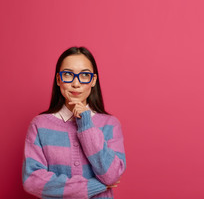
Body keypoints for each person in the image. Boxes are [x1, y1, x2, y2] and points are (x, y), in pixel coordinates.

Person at [22, 46, 126, 199]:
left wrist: (86, 123)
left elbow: (111, 174)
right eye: (68, 74)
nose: (76, 84)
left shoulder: (110, 124)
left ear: (93, 81)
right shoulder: (39, 125)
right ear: (59, 80)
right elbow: (32, 181)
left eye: (84, 75)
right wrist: (96, 185)